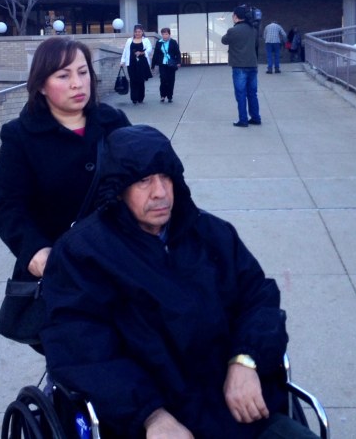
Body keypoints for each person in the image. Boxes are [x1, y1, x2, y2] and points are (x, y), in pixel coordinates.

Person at [41, 125, 319, 439]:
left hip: (232, 403)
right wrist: (151, 416)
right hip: (145, 419)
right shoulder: (82, 254)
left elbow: (258, 298)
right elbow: (83, 351)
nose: (159, 192)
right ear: (118, 189)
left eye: (166, 177)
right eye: (143, 180)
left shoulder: (211, 234)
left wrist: (245, 359)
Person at [0, 37, 132, 283]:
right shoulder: (20, 136)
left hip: (118, 264)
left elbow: (142, 177)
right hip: (62, 270)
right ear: (42, 85)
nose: (77, 84)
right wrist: (35, 250)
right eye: (63, 76)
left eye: (83, 72)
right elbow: (8, 206)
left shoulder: (114, 122)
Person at [221, 6, 262, 128]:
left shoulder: (233, 31)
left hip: (239, 66)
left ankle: (243, 120)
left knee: (241, 94)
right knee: (252, 93)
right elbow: (255, 44)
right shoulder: (253, 30)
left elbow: (224, 40)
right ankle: (255, 117)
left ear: (235, 16)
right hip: (252, 65)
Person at [120, 23, 153, 104]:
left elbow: (149, 49)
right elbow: (125, 51)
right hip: (131, 63)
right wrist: (122, 61)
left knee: (141, 80)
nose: (137, 33)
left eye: (139, 31)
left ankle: (140, 97)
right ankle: (134, 98)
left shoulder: (146, 40)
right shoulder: (129, 40)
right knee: (133, 80)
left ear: (142, 32)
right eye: (136, 32)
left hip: (142, 63)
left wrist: (142, 53)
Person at [151, 27, 181, 103]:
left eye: (166, 34)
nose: (165, 35)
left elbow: (177, 53)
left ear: (169, 34)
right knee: (163, 79)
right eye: (163, 34)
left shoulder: (173, 42)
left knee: (171, 80)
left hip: (171, 64)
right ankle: (163, 95)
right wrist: (153, 65)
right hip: (162, 64)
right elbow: (156, 54)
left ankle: (170, 96)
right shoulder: (159, 42)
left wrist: (178, 62)